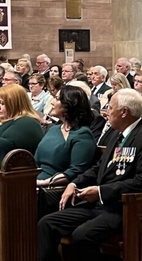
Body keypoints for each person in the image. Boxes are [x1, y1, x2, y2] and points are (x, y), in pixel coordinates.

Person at [37, 89, 142, 261]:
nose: (106, 113)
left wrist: (102, 191)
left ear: (124, 112)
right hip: (98, 204)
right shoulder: (116, 134)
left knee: (83, 235)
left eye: (111, 108)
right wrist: (74, 183)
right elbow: (98, 168)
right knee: (48, 223)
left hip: (123, 208)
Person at [34, 85, 97, 218]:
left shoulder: (82, 134)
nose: (52, 102)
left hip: (55, 190)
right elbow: (36, 160)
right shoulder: (53, 129)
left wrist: (42, 183)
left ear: (69, 105)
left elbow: (76, 171)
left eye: (57, 99)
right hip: (37, 183)